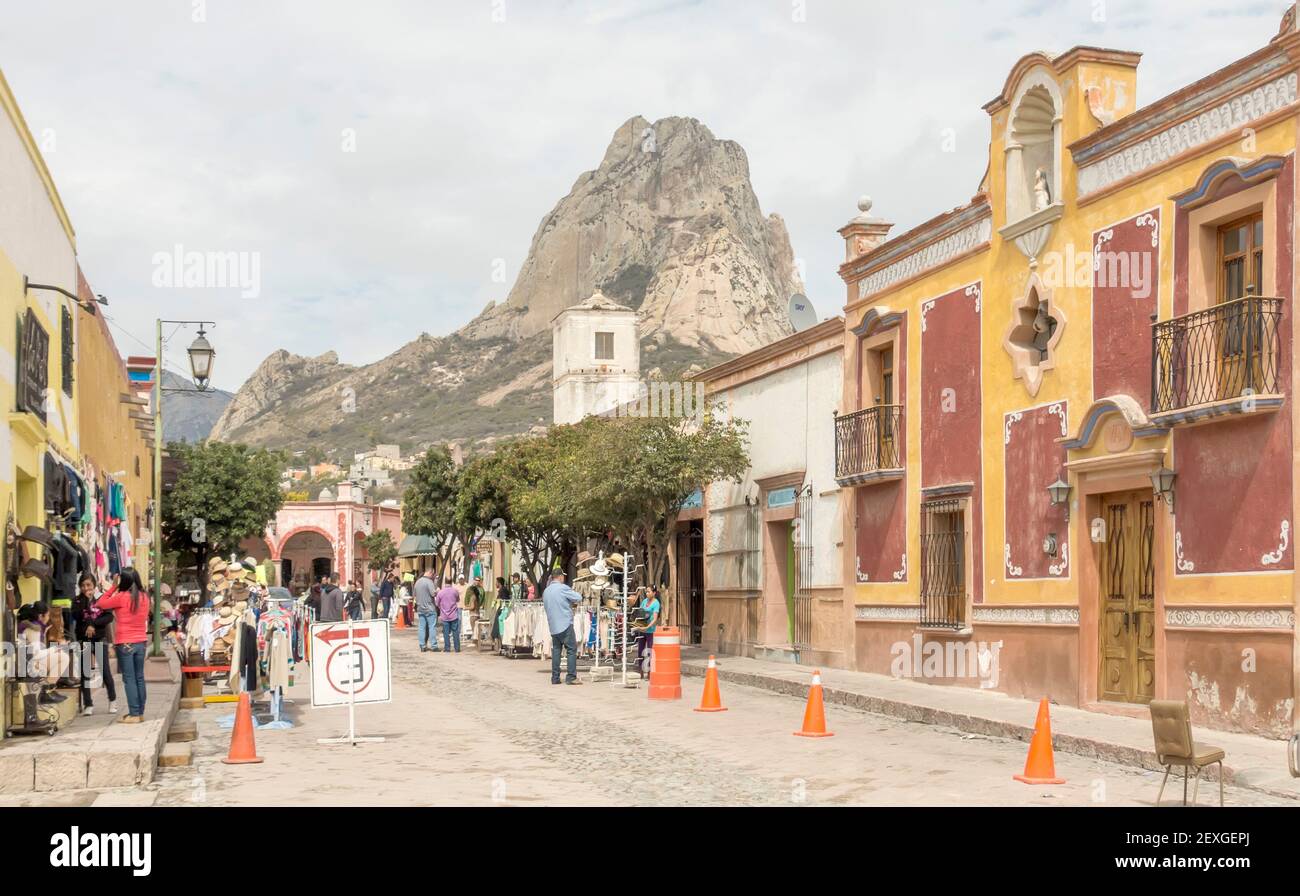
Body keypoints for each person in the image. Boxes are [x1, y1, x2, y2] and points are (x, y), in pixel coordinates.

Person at [95, 567, 152, 724]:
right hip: (141, 642)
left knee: (129, 679)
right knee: (139, 677)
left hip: (125, 643)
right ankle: (139, 712)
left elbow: (100, 603)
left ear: (124, 580)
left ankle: (133, 714)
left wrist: (114, 586)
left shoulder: (121, 597)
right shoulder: (145, 597)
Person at [72, 573, 117, 716]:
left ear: (94, 585)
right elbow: (77, 616)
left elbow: (109, 617)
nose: (86, 588)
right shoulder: (77, 601)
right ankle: (88, 704)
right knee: (85, 672)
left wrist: (93, 625)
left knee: (105, 671)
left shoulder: (102, 599)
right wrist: (87, 600)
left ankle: (112, 701)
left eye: (89, 585)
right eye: (83, 585)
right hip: (84, 640)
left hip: (98, 639)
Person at [542, 569, 583, 685]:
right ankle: (571, 677)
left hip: (553, 626)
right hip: (565, 624)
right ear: (560, 577)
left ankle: (555, 677)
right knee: (571, 649)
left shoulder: (546, 591)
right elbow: (578, 597)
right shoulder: (563, 588)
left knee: (556, 650)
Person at [634, 584, 661, 676]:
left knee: (650, 651)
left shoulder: (656, 603)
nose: (647, 593)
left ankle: (650, 671)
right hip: (642, 629)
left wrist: (647, 627)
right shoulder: (644, 601)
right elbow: (640, 613)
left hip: (650, 631)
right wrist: (638, 624)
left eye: (649, 591)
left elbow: (654, 618)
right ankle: (640, 670)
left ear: (654, 593)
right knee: (640, 650)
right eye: (646, 591)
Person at [413, 569, 439, 652]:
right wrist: (437, 591)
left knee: (421, 627)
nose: (433, 576)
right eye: (433, 574)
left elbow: (414, 594)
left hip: (420, 608)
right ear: (430, 573)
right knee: (432, 627)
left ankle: (422, 645)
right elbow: (433, 593)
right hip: (430, 608)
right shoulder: (429, 582)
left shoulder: (417, 582)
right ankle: (434, 646)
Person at [436, 578, 462, 652]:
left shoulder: (440, 592)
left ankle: (447, 648)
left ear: (445, 582)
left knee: (446, 633)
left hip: (444, 615)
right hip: (454, 615)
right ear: (451, 582)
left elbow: (437, 603)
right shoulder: (455, 591)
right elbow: (458, 600)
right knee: (455, 632)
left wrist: (442, 606)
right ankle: (457, 648)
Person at [464, 577, 484, 642]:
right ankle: (478, 644)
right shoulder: (477, 597)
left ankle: (476, 644)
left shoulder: (473, 597)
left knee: (474, 631)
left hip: (473, 615)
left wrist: (466, 608)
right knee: (477, 631)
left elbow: (472, 607)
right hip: (477, 614)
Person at [492, 576, 508, 649]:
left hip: (502, 611)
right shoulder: (501, 590)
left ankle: (502, 646)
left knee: (500, 629)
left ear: (499, 583)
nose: (495, 584)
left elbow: (503, 601)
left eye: (496, 582)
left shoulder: (503, 590)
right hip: (500, 610)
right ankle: (500, 646)